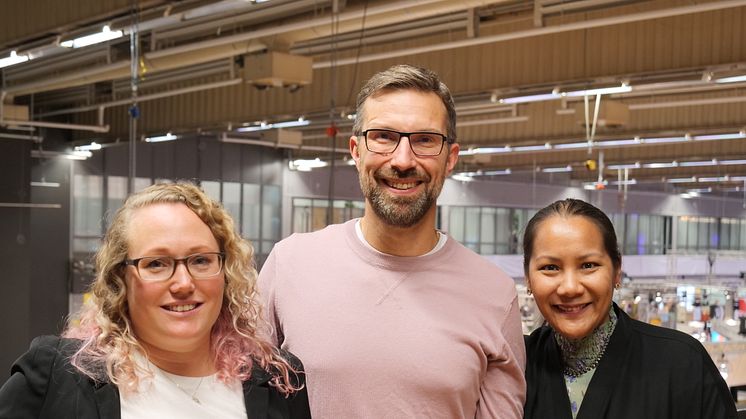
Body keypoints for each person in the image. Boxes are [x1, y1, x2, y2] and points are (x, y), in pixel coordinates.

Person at [258, 64, 526, 418]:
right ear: (356, 150)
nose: (402, 160)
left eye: (425, 140)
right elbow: (242, 393)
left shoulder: (494, 294)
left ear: (451, 159)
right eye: (383, 136)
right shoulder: (289, 263)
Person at [0, 183, 311, 419]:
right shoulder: (56, 375)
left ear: (226, 272)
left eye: (201, 260)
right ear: (120, 278)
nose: (184, 284)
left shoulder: (279, 380)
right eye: (156, 264)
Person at [522, 198, 736, 419]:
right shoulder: (517, 364)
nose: (569, 288)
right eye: (550, 267)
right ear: (528, 278)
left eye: (588, 265)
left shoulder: (682, 364)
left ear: (617, 271)